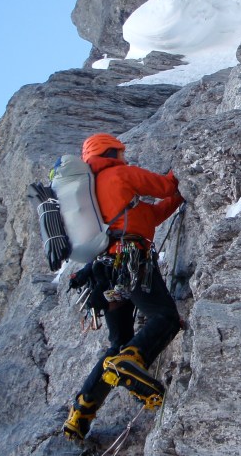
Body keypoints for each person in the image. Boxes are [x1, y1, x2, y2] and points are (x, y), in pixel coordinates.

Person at [63, 133, 184, 441]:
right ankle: (132, 362)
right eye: (121, 152)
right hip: (131, 262)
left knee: (117, 344)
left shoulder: (90, 195)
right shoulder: (120, 174)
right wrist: (183, 170)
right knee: (165, 317)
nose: (125, 156)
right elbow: (165, 186)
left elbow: (151, 215)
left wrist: (177, 199)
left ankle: (81, 414)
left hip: (104, 273)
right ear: (112, 152)